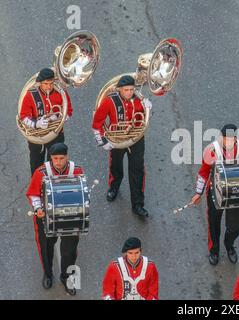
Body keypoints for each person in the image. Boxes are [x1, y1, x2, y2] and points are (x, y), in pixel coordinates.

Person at [92, 75, 153, 217]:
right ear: (120, 89)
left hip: (136, 139)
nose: (130, 92)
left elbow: (145, 118)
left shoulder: (139, 100)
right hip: (117, 139)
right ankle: (114, 187)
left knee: (137, 170)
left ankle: (138, 204)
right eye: (126, 90)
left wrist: (149, 108)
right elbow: (97, 122)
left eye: (132, 89)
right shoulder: (109, 101)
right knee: (116, 166)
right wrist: (102, 141)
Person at [26, 143, 82, 295]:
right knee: (46, 246)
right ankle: (48, 273)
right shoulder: (41, 172)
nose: (58, 162)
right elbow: (33, 193)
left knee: (69, 250)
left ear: (67, 157)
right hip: (46, 215)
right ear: (50, 158)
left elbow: (81, 192)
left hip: (68, 215)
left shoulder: (76, 170)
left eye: (61, 158)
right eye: (55, 158)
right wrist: (38, 208)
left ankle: (66, 277)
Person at [190, 124, 239, 266]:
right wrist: (198, 193)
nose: (229, 141)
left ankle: (229, 245)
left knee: (235, 226)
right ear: (220, 138)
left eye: (231, 138)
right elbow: (204, 172)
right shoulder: (211, 151)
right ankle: (214, 250)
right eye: (225, 138)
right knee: (214, 223)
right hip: (215, 191)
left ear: (235, 138)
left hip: (234, 192)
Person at [20, 68, 73, 175]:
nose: (49, 87)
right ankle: (36, 187)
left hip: (56, 134)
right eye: (45, 84)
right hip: (37, 136)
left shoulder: (61, 93)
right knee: (36, 164)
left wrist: (58, 117)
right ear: (40, 83)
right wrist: (36, 123)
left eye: (51, 83)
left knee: (56, 165)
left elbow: (69, 111)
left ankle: (52, 187)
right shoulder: (31, 95)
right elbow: (23, 117)